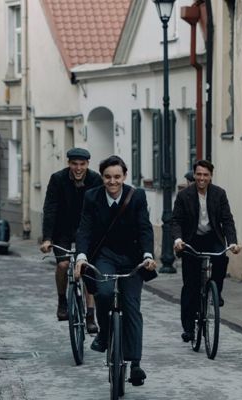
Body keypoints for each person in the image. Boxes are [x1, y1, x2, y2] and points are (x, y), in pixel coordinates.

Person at [74, 155, 157, 387]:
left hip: (132, 257)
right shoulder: (92, 197)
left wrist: (148, 255)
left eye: (117, 177)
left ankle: (135, 363)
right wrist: (81, 257)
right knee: (104, 293)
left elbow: (144, 228)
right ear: (102, 177)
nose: (113, 182)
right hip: (105, 256)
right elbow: (85, 229)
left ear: (124, 176)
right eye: (108, 177)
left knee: (131, 307)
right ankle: (104, 333)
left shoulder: (137, 196)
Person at [171, 159, 240, 343]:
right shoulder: (184, 195)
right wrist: (178, 240)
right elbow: (176, 220)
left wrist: (233, 242)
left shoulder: (219, 194)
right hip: (191, 240)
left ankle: (215, 291)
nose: (202, 178)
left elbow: (227, 220)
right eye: (199, 174)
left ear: (211, 176)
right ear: (194, 175)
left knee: (221, 258)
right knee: (190, 286)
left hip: (212, 237)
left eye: (205, 175)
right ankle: (188, 328)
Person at [40, 147, 101, 333]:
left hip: (87, 229)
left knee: (88, 269)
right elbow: (50, 208)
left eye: (82, 164)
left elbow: (100, 209)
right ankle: (62, 301)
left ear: (87, 164)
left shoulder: (95, 179)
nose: (78, 168)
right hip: (62, 230)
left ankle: (90, 315)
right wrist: (47, 238)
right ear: (69, 164)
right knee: (63, 265)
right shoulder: (57, 179)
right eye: (74, 164)